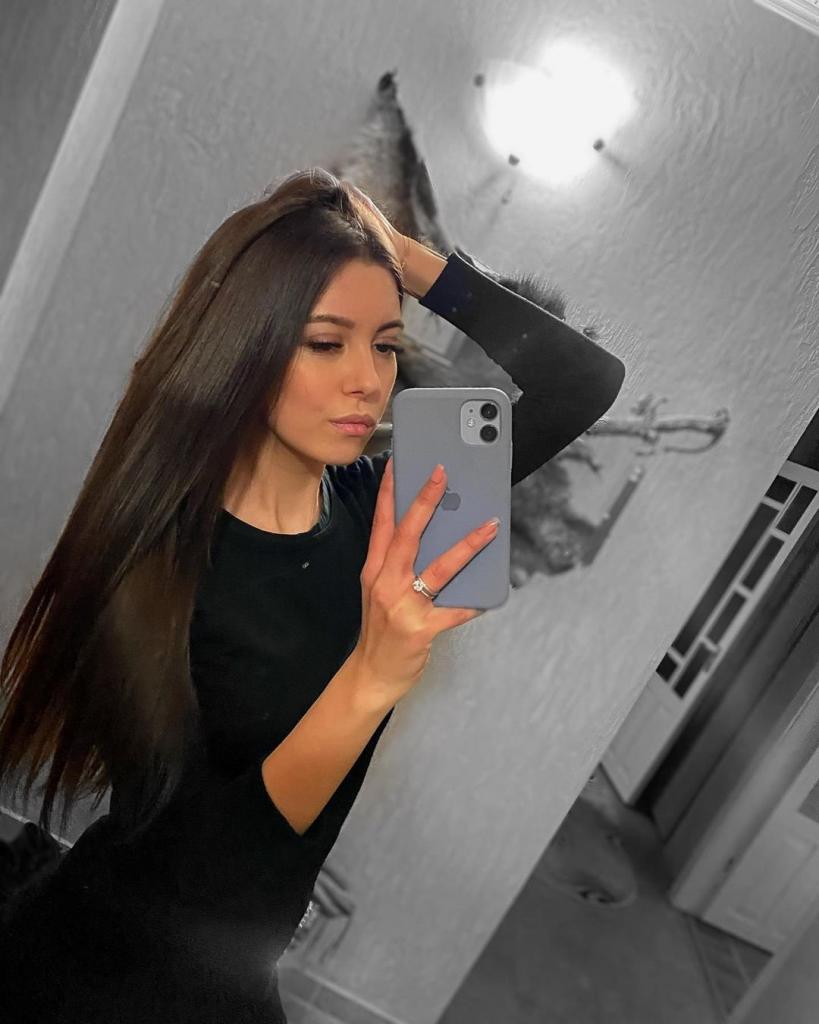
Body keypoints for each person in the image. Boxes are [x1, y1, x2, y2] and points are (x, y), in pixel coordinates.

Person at [0, 167, 626, 1022]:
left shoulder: (386, 504)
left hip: (234, 965)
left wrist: (397, 254)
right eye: (327, 343)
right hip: (105, 973)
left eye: (385, 344)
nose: (368, 380)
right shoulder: (157, 566)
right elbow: (206, 865)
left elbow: (581, 379)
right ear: (248, 348)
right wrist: (373, 673)